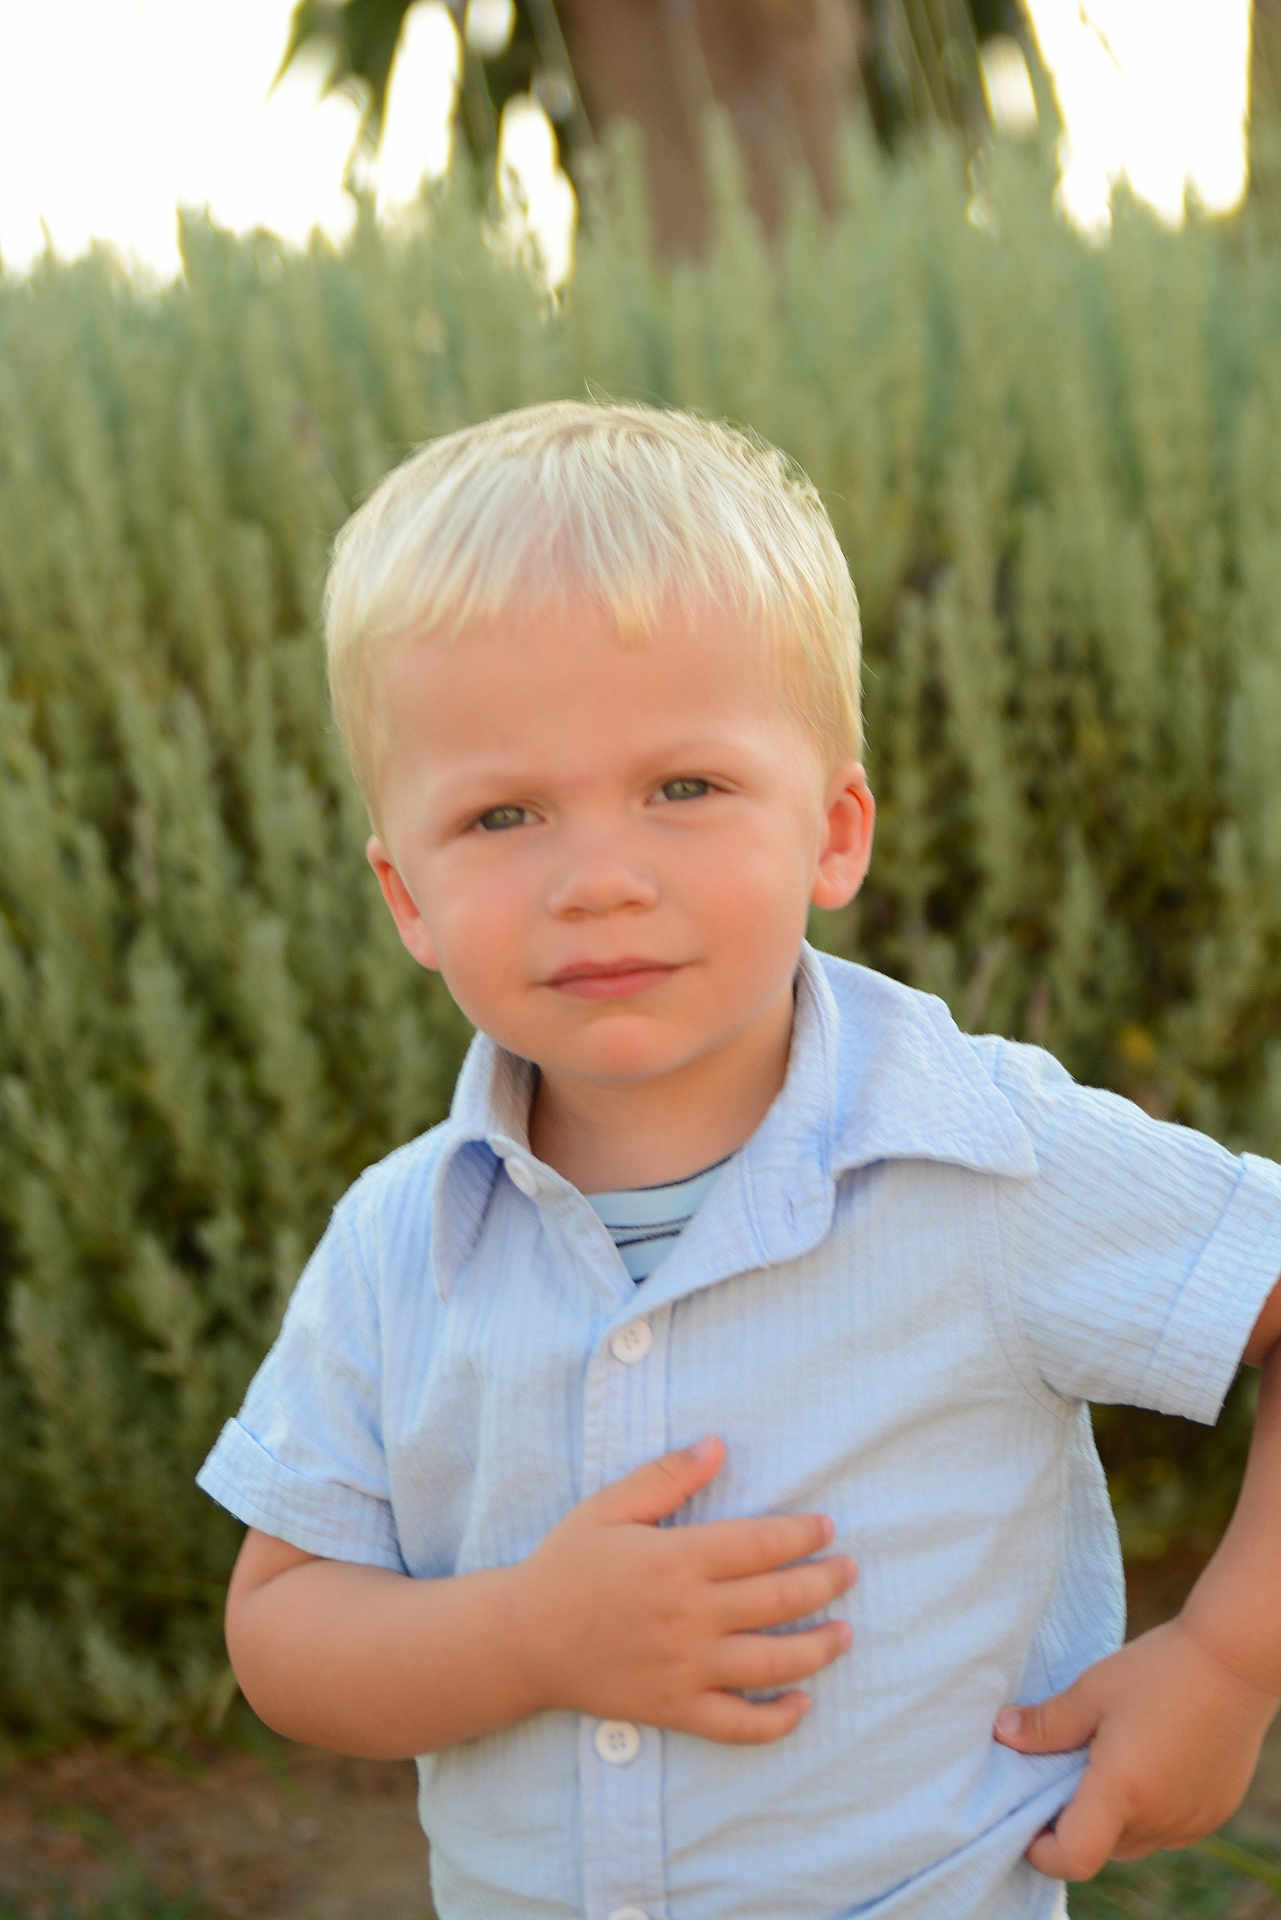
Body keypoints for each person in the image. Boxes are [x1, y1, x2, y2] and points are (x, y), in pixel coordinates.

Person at [197, 399, 1281, 1920]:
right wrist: (527, 1637)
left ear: (833, 832)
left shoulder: (985, 1160)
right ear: (407, 894)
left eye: (682, 788)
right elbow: (284, 1634)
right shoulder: (399, 1243)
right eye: (502, 813)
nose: (599, 880)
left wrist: (1226, 1663)